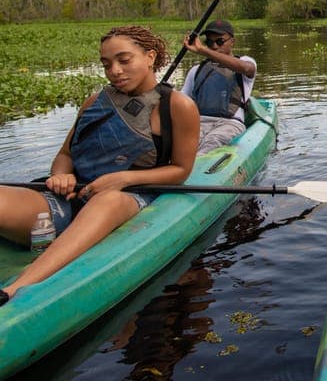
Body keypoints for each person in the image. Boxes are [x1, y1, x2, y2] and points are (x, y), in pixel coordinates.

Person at [0, 26, 200, 306]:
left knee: (108, 199)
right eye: (106, 64)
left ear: (150, 57)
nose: (114, 71)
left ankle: (16, 288)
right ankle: (65, 232)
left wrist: (122, 179)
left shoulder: (178, 106)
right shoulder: (95, 101)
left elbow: (180, 170)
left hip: (127, 196)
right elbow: (65, 154)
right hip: (69, 198)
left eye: (124, 60)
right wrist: (61, 175)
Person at [181, 19, 257, 154]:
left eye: (219, 41)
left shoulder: (245, 62)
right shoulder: (196, 70)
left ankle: (200, 164)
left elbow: (246, 68)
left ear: (232, 41)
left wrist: (203, 50)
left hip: (230, 123)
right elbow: (182, 102)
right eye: (209, 42)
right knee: (184, 147)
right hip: (199, 123)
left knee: (212, 142)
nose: (214, 46)